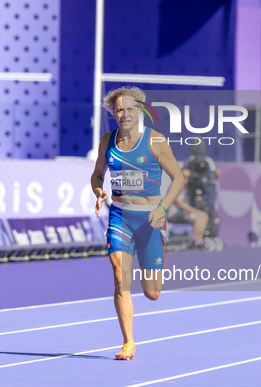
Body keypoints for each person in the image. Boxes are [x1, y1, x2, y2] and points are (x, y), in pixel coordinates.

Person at [91, 87, 184, 361]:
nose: (124, 114)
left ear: (140, 111)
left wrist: (163, 208)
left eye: (130, 109)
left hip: (150, 220)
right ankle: (128, 343)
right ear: (113, 114)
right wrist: (99, 192)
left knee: (152, 293)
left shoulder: (155, 141)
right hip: (120, 216)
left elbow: (178, 178)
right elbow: (96, 176)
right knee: (120, 277)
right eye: (119, 110)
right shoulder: (107, 141)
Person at [167, 168, 210, 248]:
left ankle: (199, 241)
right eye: (184, 176)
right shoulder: (176, 186)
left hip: (183, 214)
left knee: (204, 215)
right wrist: (196, 211)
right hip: (174, 215)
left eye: (188, 177)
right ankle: (194, 241)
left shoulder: (186, 187)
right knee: (197, 217)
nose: (185, 178)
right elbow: (180, 204)